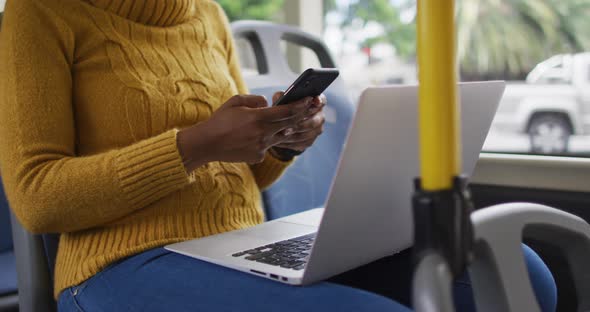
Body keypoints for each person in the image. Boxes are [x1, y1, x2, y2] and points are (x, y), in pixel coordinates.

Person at [0, 0, 556, 311]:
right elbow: (37, 198)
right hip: (117, 266)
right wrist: (196, 145)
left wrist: (281, 139)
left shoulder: (208, 15)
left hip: (244, 244)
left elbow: (249, 172)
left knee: (520, 275)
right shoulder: (39, 14)